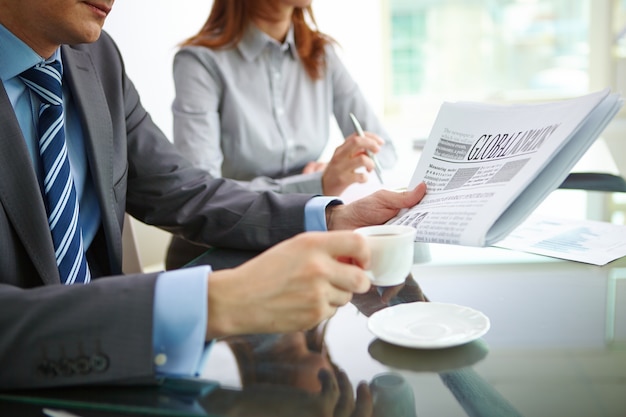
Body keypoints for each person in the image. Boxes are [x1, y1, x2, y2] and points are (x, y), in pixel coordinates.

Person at [0, 0, 426, 390]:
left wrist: (333, 217)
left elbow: (184, 189)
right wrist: (214, 301)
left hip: (116, 367)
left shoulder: (97, 58)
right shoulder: (197, 60)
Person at [166, 0, 398, 269]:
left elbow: (385, 153)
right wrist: (315, 184)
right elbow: (201, 193)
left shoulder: (322, 54)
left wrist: (329, 174)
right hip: (215, 255)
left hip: (299, 246)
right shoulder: (199, 61)